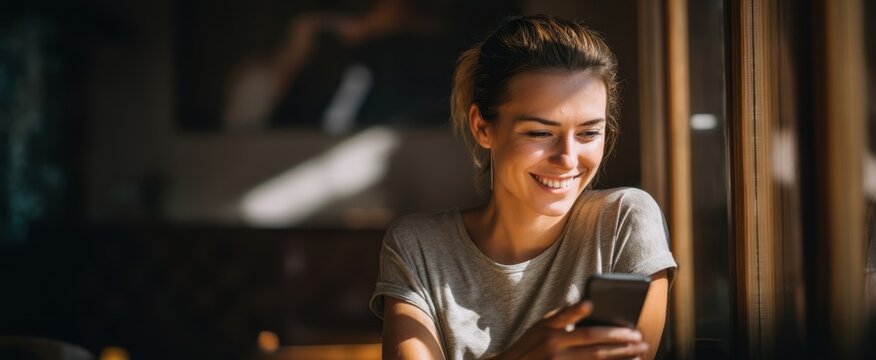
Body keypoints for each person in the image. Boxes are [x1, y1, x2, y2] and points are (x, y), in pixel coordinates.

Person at [369, 15, 677, 360]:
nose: (567, 158)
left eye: (589, 133)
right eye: (539, 133)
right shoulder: (419, 247)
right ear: (482, 128)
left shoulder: (624, 221)